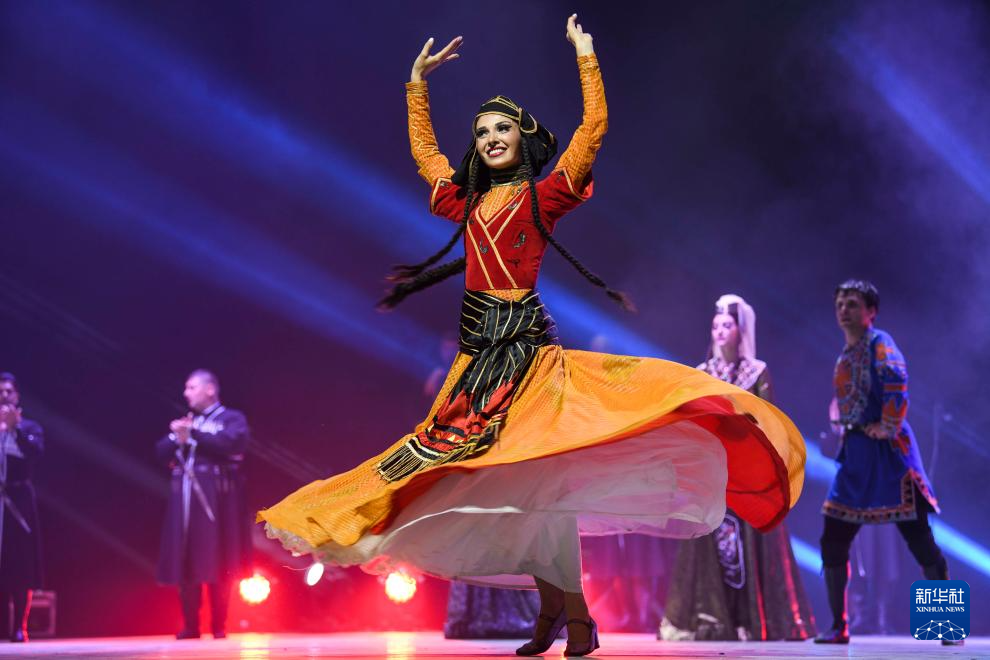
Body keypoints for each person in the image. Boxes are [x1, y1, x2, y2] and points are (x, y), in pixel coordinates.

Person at [259, 16, 805, 657]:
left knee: (538, 486)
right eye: (483, 131)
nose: (492, 138)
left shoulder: (543, 198)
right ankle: (561, 613)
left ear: (523, 139)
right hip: (475, 367)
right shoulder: (465, 202)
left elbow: (592, 131)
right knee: (502, 485)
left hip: (528, 363)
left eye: (503, 129)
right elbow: (428, 159)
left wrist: (586, 56)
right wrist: (416, 86)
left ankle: (570, 616)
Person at [659, 295, 815, 641]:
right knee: (711, 541)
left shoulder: (756, 372)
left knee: (750, 542)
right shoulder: (703, 373)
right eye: (715, 325)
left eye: (727, 325)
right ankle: (713, 618)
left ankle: (749, 619)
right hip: (713, 473)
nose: (719, 331)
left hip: (748, 473)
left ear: (740, 330)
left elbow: (769, 422)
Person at [815, 280, 955, 645]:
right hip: (856, 459)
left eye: (852, 303)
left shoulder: (881, 343)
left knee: (919, 538)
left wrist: (889, 424)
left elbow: (896, 378)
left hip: (889, 455)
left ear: (871, 311)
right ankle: (838, 626)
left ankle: (947, 625)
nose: (844, 310)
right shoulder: (845, 356)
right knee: (833, 536)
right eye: (840, 303)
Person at [156, 370, 252, 640]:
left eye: (192, 387)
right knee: (187, 556)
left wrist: (194, 434)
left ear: (210, 389)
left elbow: (233, 442)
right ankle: (191, 626)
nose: (186, 393)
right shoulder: (188, 423)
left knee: (219, 554)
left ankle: (219, 625)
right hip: (187, 499)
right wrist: (177, 437)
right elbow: (160, 451)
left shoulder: (230, 418)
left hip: (219, 496)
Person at [0, 373, 44, 643]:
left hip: (18, 498)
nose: (4, 396)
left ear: (17, 395)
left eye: (8, 391)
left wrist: (15, 429)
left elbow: (35, 453)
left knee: (20, 563)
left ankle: (19, 626)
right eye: (0, 391)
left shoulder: (30, 427)